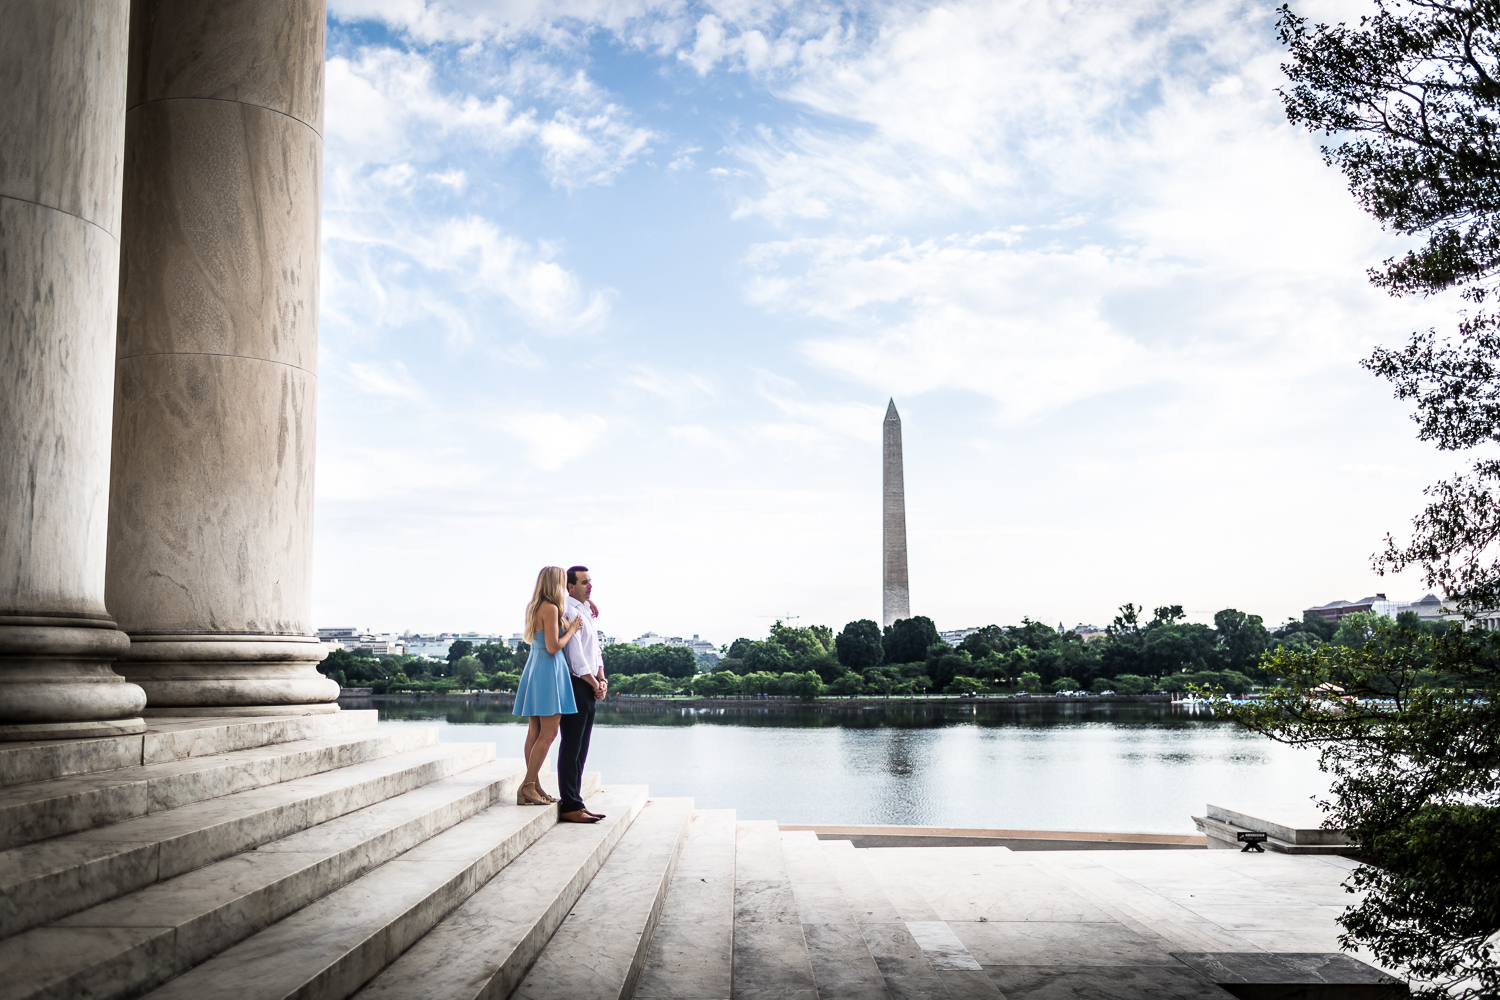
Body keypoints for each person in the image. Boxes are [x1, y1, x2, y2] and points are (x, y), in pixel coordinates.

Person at [512, 566, 585, 807]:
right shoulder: (551, 608)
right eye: (563, 583)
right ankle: (528, 785)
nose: (565, 588)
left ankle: (532, 785)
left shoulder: (535, 606)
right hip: (549, 670)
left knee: (534, 731)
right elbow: (554, 647)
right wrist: (572, 630)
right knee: (550, 732)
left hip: (535, 668)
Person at [557, 565, 608, 823]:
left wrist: (601, 678)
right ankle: (569, 805)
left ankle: (577, 801)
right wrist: (593, 682)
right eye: (585, 582)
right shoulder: (566, 611)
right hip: (576, 685)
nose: (590, 586)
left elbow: (595, 651)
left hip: (589, 684)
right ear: (570, 586)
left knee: (582, 748)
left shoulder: (588, 611)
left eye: (591, 581)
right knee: (571, 746)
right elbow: (576, 658)